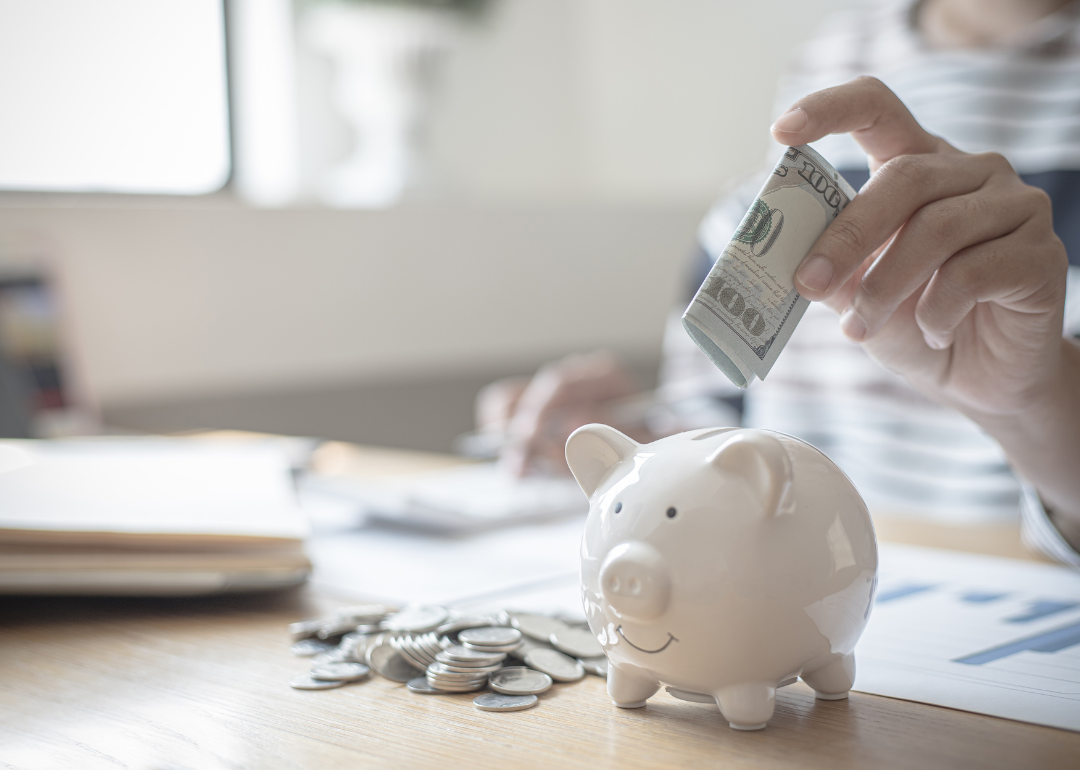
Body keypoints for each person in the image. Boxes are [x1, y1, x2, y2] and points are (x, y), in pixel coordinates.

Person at [475, 0, 1080, 563]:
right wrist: (644, 440)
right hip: (779, 591)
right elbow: (728, 411)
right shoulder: (828, 57)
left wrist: (1034, 400)